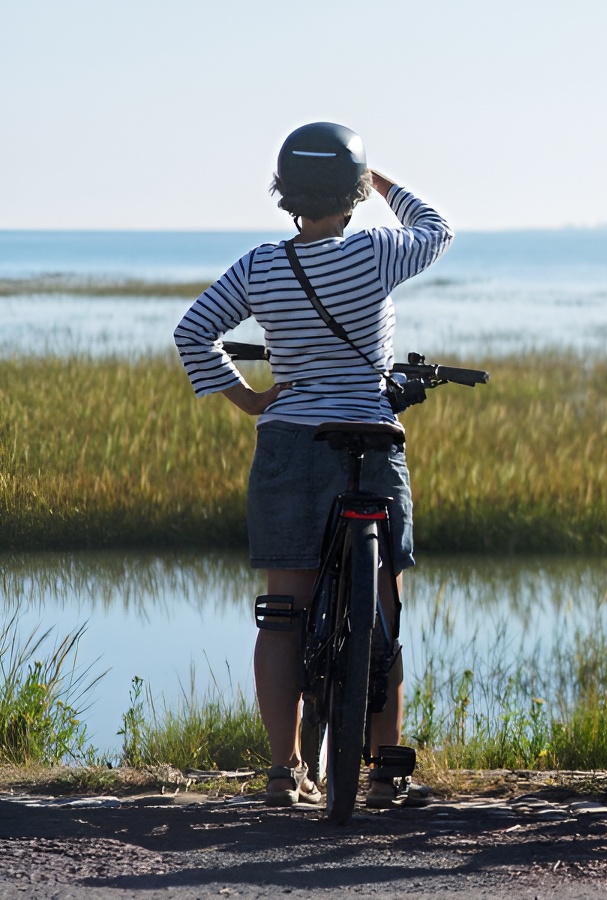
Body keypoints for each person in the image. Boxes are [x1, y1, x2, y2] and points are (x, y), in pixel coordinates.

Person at [172, 122, 452, 807]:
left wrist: (250, 400)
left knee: (282, 611)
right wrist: (378, 178)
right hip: (369, 437)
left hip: (289, 439)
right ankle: (387, 767)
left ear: (286, 194)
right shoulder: (376, 254)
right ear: (351, 195)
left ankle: (283, 769)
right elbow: (437, 227)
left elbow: (192, 332)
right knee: (384, 600)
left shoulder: (261, 265)